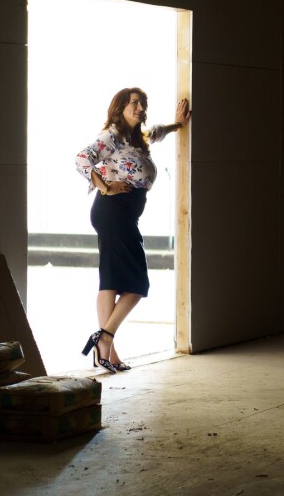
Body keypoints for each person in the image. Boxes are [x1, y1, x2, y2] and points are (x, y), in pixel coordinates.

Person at [75, 87, 191, 373]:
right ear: (120, 108)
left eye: (143, 104)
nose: (140, 108)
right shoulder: (112, 136)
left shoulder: (138, 138)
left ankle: (108, 355)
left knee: (111, 280)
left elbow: (157, 131)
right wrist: (106, 186)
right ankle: (105, 337)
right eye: (134, 104)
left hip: (122, 214)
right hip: (114, 212)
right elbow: (81, 158)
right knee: (137, 285)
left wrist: (178, 124)